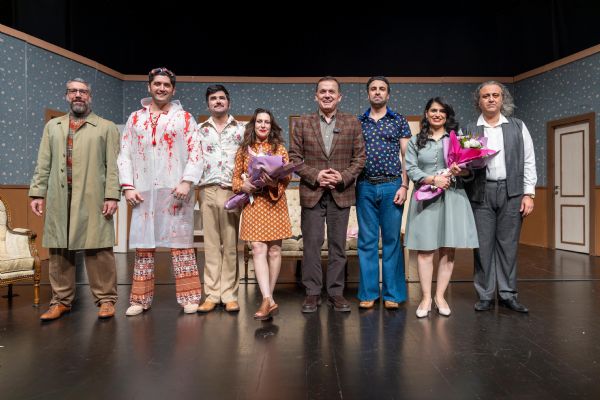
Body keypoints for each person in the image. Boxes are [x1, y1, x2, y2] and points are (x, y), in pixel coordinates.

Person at [29, 78, 120, 321]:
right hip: (59, 195)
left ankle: (106, 300)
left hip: (93, 195)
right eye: (73, 91)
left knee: (98, 247)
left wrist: (112, 195)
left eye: (83, 91)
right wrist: (37, 192)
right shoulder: (54, 126)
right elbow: (43, 162)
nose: (78, 95)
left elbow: (113, 166)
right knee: (59, 248)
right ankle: (60, 301)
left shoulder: (106, 127)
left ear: (90, 96)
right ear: (67, 96)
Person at [118, 67, 203, 316]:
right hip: (144, 190)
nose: (161, 88)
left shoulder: (184, 118)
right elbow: (125, 154)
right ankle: (139, 299)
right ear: (149, 87)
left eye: (166, 84)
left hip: (176, 189)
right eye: (157, 84)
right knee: (144, 246)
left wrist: (187, 182)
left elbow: (196, 151)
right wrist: (128, 186)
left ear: (173, 89)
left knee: (181, 244)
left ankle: (189, 297)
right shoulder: (135, 118)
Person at [289, 76, 366, 313]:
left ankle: (335, 292)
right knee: (311, 246)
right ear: (316, 96)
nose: (327, 95)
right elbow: (294, 158)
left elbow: (360, 158)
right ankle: (312, 293)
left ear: (339, 97)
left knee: (337, 246)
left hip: (340, 193)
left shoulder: (352, 122)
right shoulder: (303, 122)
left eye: (332, 91)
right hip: (312, 192)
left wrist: (342, 177)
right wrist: (316, 175)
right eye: (322, 91)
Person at [464, 81, 536, 313]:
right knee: (483, 246)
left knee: (508, 246)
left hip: (511, 192)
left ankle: (507, 294)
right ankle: (485, 294)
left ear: (502, 99)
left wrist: (529, 193)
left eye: (496, 95)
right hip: (480, 193)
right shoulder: (469, 129)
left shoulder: (518, 126)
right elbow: (463, 165)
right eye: (486, 96)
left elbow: (529, 161)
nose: (491, 99)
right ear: (479, 101)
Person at [404, 97, 479, 318]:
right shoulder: (416, 141)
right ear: (426, 114)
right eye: (433, 110)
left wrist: (461, 170)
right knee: (425, 249)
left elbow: (470, 169)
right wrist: (432, 179)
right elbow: (411, 169)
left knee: (448, 249)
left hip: (452, 197)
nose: (437, 114)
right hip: (426, 198)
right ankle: (426, 298)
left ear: (447, 115)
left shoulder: (459, 139)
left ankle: (440, 296)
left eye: (442, 111)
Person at [356, 76, 411, 310]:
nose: (377, 92)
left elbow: (407, 156)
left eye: (382, 89)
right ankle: (368, 293)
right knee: (367, 241)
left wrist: (404, 186)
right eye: (373, 89)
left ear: (388, 94)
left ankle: (392, 294)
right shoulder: (358, 122)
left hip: (392, 186)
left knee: (391, 241)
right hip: (365, 186)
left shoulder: (399, 120)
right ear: (368, 93)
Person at [232, 108, 292, 320]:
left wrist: (274, 182)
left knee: (274, 251)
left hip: (274, 203)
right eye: (259, 121)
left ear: (271, 126)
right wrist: (244, 185)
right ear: (254, 124)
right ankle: (267, 298)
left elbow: (287, 177)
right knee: (258, 248)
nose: (263, 125)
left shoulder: (280, 149)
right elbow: (235, 179)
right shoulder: (243, 150)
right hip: (254, 203)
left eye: (267, 122)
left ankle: (269, 299)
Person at [196, 85, 245, 313]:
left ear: (229, 102)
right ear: (208, 104)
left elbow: (249, 160)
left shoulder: (241, 130)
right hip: (207, 189)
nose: (218, 101)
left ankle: (229, 295)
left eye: (222, 98)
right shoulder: (199, 130)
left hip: (231, 191)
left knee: (231, 245)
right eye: (213, 98)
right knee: (211, 245)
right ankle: (212, 294)